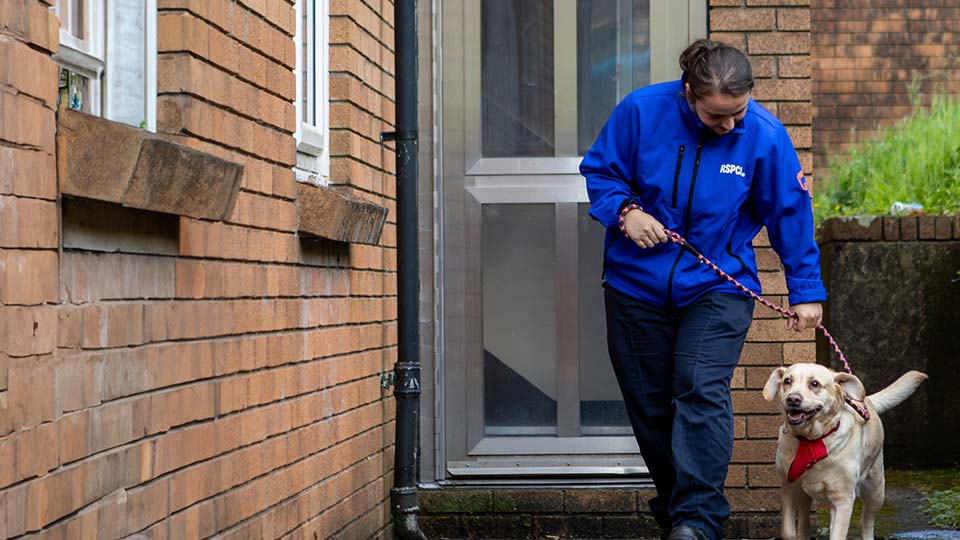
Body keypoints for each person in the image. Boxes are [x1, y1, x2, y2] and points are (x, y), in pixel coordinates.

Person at [579, 38, 826, 540]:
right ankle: (680, 514)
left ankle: (697, 522)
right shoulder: (640, 112)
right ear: (689, 92)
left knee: (698, 388)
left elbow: (790, 214)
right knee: (650, 404)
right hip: (634, 286)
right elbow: (600, 172)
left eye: (737, 112)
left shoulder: (763, 134)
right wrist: (627, 213)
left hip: (718, 285)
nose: (730, 125)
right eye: (717, 116)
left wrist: (806, 288)